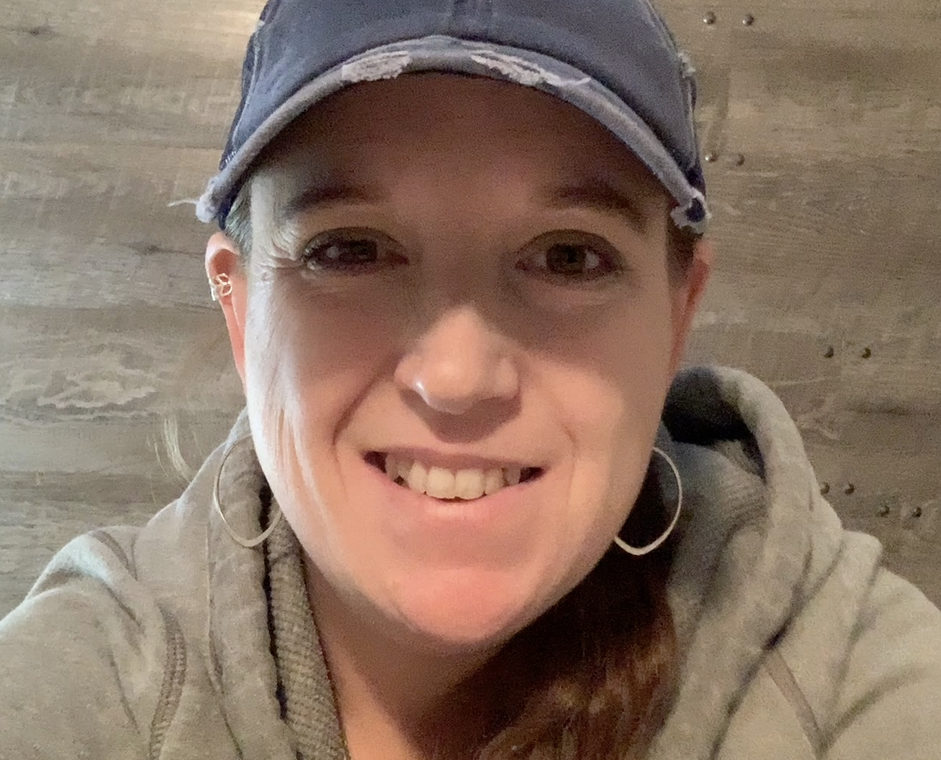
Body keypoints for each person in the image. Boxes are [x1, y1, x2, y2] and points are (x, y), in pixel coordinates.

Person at [2, 0, 940, 758]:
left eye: (568, 257)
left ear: (675, 319)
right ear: (240, 312)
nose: (456, 379)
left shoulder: (843, 669)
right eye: (350, 249)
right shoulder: (92, 674)